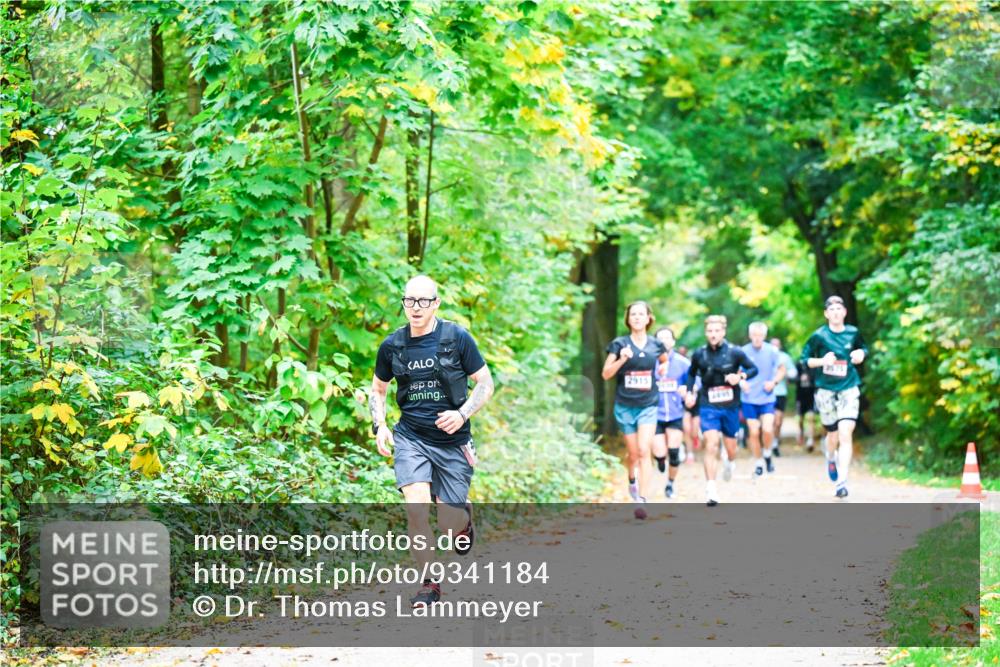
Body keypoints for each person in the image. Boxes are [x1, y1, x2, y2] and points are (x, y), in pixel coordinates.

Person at [370, 275, 495, 605]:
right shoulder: (393, 346)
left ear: (436, 303)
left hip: (453, 441)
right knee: (416, 510)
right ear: (403, 304)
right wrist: (379, 425)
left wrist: (463, 413)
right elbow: (378, 390)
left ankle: (463, 521)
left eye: (423, 301)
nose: (416, 308)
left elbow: (485, 383)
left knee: (449, 522)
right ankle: (429, 583)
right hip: (411, 438)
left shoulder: (456, 338)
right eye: (410, 301)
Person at [602, 301, 669, 519]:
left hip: (648, 405)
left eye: (642, 314)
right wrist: (623, 359)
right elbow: (606, 374)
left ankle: (642, 499)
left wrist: (663, 369)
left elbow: (664, 359)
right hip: (625, 406)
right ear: (628, 319)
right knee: (632, 454)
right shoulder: (619, 344)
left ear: (649, 318)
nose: (638, 317)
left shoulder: (656, 344)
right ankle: (632, 479)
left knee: (643, 450)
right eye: (633, 314)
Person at [684, 315, 759, 506]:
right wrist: (690, 392)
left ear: (723, 332)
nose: (713, 334)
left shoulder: (735, 352)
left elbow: (753, 369)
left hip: (731, 406)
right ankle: (711, 488)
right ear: (706, 332)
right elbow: (691, 374)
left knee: (731, 447)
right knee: (711, 444)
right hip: (708, 404)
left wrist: (740, 376)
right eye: (709, 331)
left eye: (717, 331)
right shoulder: (699, 354)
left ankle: (729, 461)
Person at [799, 295, 868, 498]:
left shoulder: (853, 333)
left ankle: (842, 481)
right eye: (832, 309)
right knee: (832, 435)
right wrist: (822, 361)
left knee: (846, 433)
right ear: (826, 314)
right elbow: (804, 360)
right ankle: (831, 457)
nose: (836, 312)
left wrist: (861, 354)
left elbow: (863, 348)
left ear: (845, 312)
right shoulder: (819, 336)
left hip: (848, 388)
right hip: (826, 391)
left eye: (840, 309)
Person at [740, 323, 786, 477]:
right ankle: (758, 462)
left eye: (760, 335)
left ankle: (767, 454)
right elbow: (736, 371)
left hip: (767, 396)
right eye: (754, 334)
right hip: (749, 397)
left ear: (764, 336)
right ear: (750, 335)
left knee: (767, 429)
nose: (757, 338)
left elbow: (782, 369)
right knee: (753, 432)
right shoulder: (743, 351)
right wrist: (742, 382)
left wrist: (773, 382)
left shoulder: (772, 351)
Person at [651, 327, 690, 499]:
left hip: (675, 413)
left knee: (674, 453)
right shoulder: (649, 362)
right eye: (660, 338)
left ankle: (670, 484)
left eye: (668, 338)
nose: (664, 341)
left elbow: (694, 383)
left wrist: (688, 392)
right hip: (654, 414)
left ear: (673, 341)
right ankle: (660, 460)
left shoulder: (683, 363)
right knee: (660, 452)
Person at [770, 337, 797, 456]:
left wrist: (784, 373)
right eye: (773, 344)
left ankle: (775, 441)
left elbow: (794, 372)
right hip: (766, 393)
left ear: (780, 346)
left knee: (778, 420)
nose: (775, 347)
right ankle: (768, 442)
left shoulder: (785, 357)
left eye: (777, 344)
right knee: (769, 419)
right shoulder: (765, 356)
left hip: (781, 392)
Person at [795, 358, 817, 452]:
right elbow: (792, 378)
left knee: (810, 418)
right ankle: (801, 434)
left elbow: (817, 380)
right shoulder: (798, 365)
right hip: (800, 397)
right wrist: (799, 378)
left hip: (811, 397)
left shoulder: (815, 366)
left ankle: (810, 439)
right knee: (800, 419)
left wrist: (810, 378)